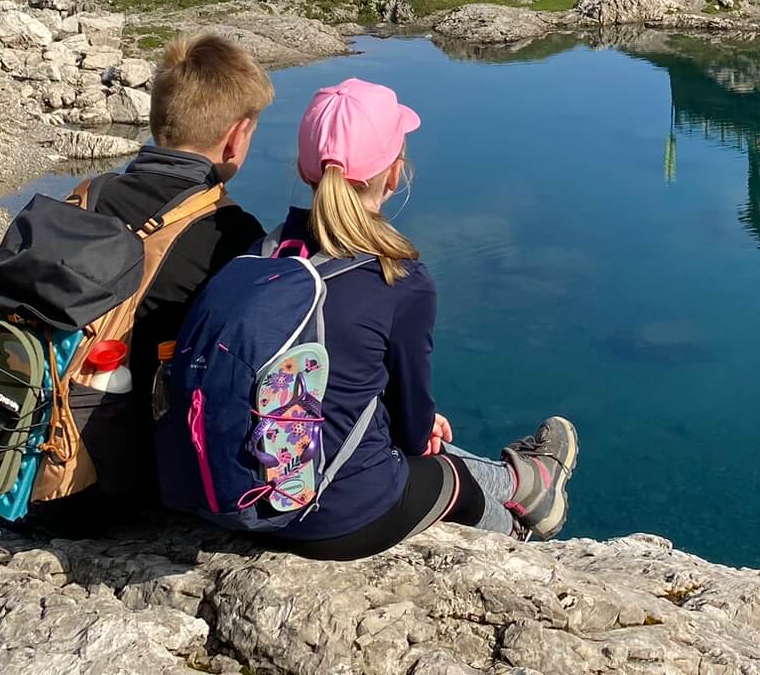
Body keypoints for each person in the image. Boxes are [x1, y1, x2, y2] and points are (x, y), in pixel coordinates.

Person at [247, 77, 578, 558]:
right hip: (330, 518)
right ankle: (518, 536)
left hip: (244, 493)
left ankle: (530, 482)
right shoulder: (398, 279)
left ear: (303, 170)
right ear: (395, 173)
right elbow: (411, 434)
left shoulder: (261, 255)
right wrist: (422, 425)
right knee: (446, 475)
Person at [29, 32, 270, 532]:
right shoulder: (232, 233)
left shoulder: (89, 195)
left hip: (31, 467)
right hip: (126, 490)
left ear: (159, 120)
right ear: (237, 137)